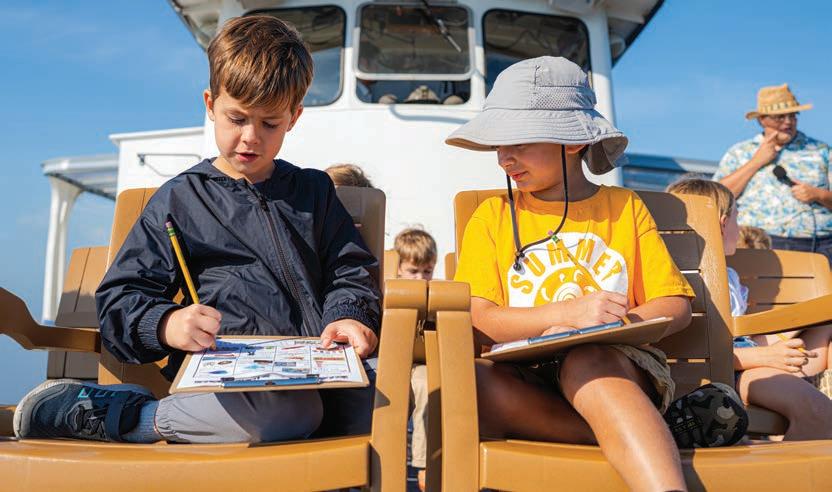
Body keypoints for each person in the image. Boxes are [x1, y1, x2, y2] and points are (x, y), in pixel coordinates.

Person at [13, 15, 380, 445]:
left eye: (270, 123)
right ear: (210, 104)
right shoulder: (181, 200)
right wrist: (167, 323)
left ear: (294, 117)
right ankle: (129, 416)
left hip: (321, 372)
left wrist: (349, 317)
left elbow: (348, 270)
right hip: (230, 383)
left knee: (381, 400)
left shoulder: (314, 191)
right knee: (289, 412)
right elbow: (120, 298)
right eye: (237, 118)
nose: (251, 137)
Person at [446, 56, 747, 492]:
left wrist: (611, 324)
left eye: (519, 141)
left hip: (615, 366)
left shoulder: (623, 209)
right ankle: (652, 433)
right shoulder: (491, 216)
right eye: (497, 145)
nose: (504, 158)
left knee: (586, 360)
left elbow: (675, 305)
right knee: (467, 382)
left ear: (572, 142)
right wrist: (567, 314)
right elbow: (481, 318)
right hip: (525, 375)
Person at [667, 178, 832, 438]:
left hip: (743, 362)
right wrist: (763, 357)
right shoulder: (680, 278)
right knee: (818, 410)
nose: (739, 225)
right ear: (723, 223)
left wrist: (795, 330)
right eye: (737, 216)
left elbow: (741, 334)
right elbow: (690, 357)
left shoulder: (728, 276)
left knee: (823, 328)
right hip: (722, 374)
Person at [714, 84, 832, 264]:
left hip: (817, 246)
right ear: (762, 120)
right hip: (758, 244)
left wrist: (818, 194)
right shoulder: (740, 152)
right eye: (780, 117)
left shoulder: (822, 151)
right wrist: (756, 161)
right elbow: (718, 198)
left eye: (793, 115)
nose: (788, 122)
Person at [392, 227, 437, 491]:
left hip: (424, 366)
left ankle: (424, 464)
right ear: (398, 268)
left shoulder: (436, 298)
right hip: (394, 364)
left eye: (427, 271)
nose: (421, 279)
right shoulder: (389, 295)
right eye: (413, 271)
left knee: (427, 383)